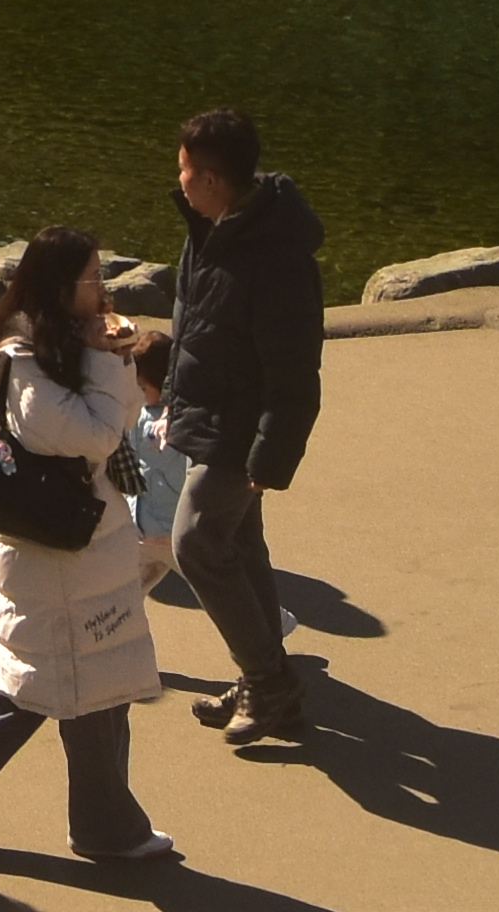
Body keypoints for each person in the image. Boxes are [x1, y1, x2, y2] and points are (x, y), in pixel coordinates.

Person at [0, 226, 177, 878]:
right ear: (59, 287)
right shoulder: (24, 366)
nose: (103, 291)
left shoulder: (51, 347)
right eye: (91, 279)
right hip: (56, 554)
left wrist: (105, 352)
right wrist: (110, 359)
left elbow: (106, 426)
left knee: (66, 684)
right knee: (68, 686)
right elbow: (97, 435)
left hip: (68, 548)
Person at [155, 106, 323, 746]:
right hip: (207, 412)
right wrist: (171, 396)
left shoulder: (277, 259)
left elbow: (295, 371)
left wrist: (268, 459)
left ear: (214, 178)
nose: (180, 182)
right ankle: (268, 679)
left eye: (186, 171)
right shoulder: (208, 228)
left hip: (242, 429)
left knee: (194, 542)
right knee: (240, 544)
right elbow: (190, 318)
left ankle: (268, 681)